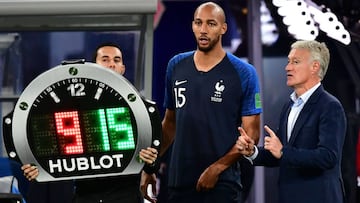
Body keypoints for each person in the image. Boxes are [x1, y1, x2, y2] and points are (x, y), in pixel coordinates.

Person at [141, 2, 262, 203]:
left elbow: (252, 134)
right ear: (192, 26)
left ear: (223, 28)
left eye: (211, 24)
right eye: (198, 23)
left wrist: (217, 168)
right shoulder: (176, 65)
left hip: (223, 184)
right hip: (179, 182)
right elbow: (170, 124)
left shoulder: (244, 72)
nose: (203, 30)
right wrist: (150, 167)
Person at [22, 42, 159, 203]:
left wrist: (151, 164)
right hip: (86, 195)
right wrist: (36, 167)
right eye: (105, 59)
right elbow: (50, 145)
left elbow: (150, 152)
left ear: (123, 68)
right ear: (95, 66)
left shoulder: (138, 108)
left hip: (126, 194)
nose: (112, 64)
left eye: (117, 60)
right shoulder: (73, 104)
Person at [237, 40, 347, 203]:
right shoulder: (289, 106)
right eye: (289, 61)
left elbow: (327, 157)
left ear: (315, 67)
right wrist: (252, 152)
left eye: (295, 62)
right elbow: (279, 154)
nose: (287, 67)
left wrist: (282, 152)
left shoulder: (330, 106)